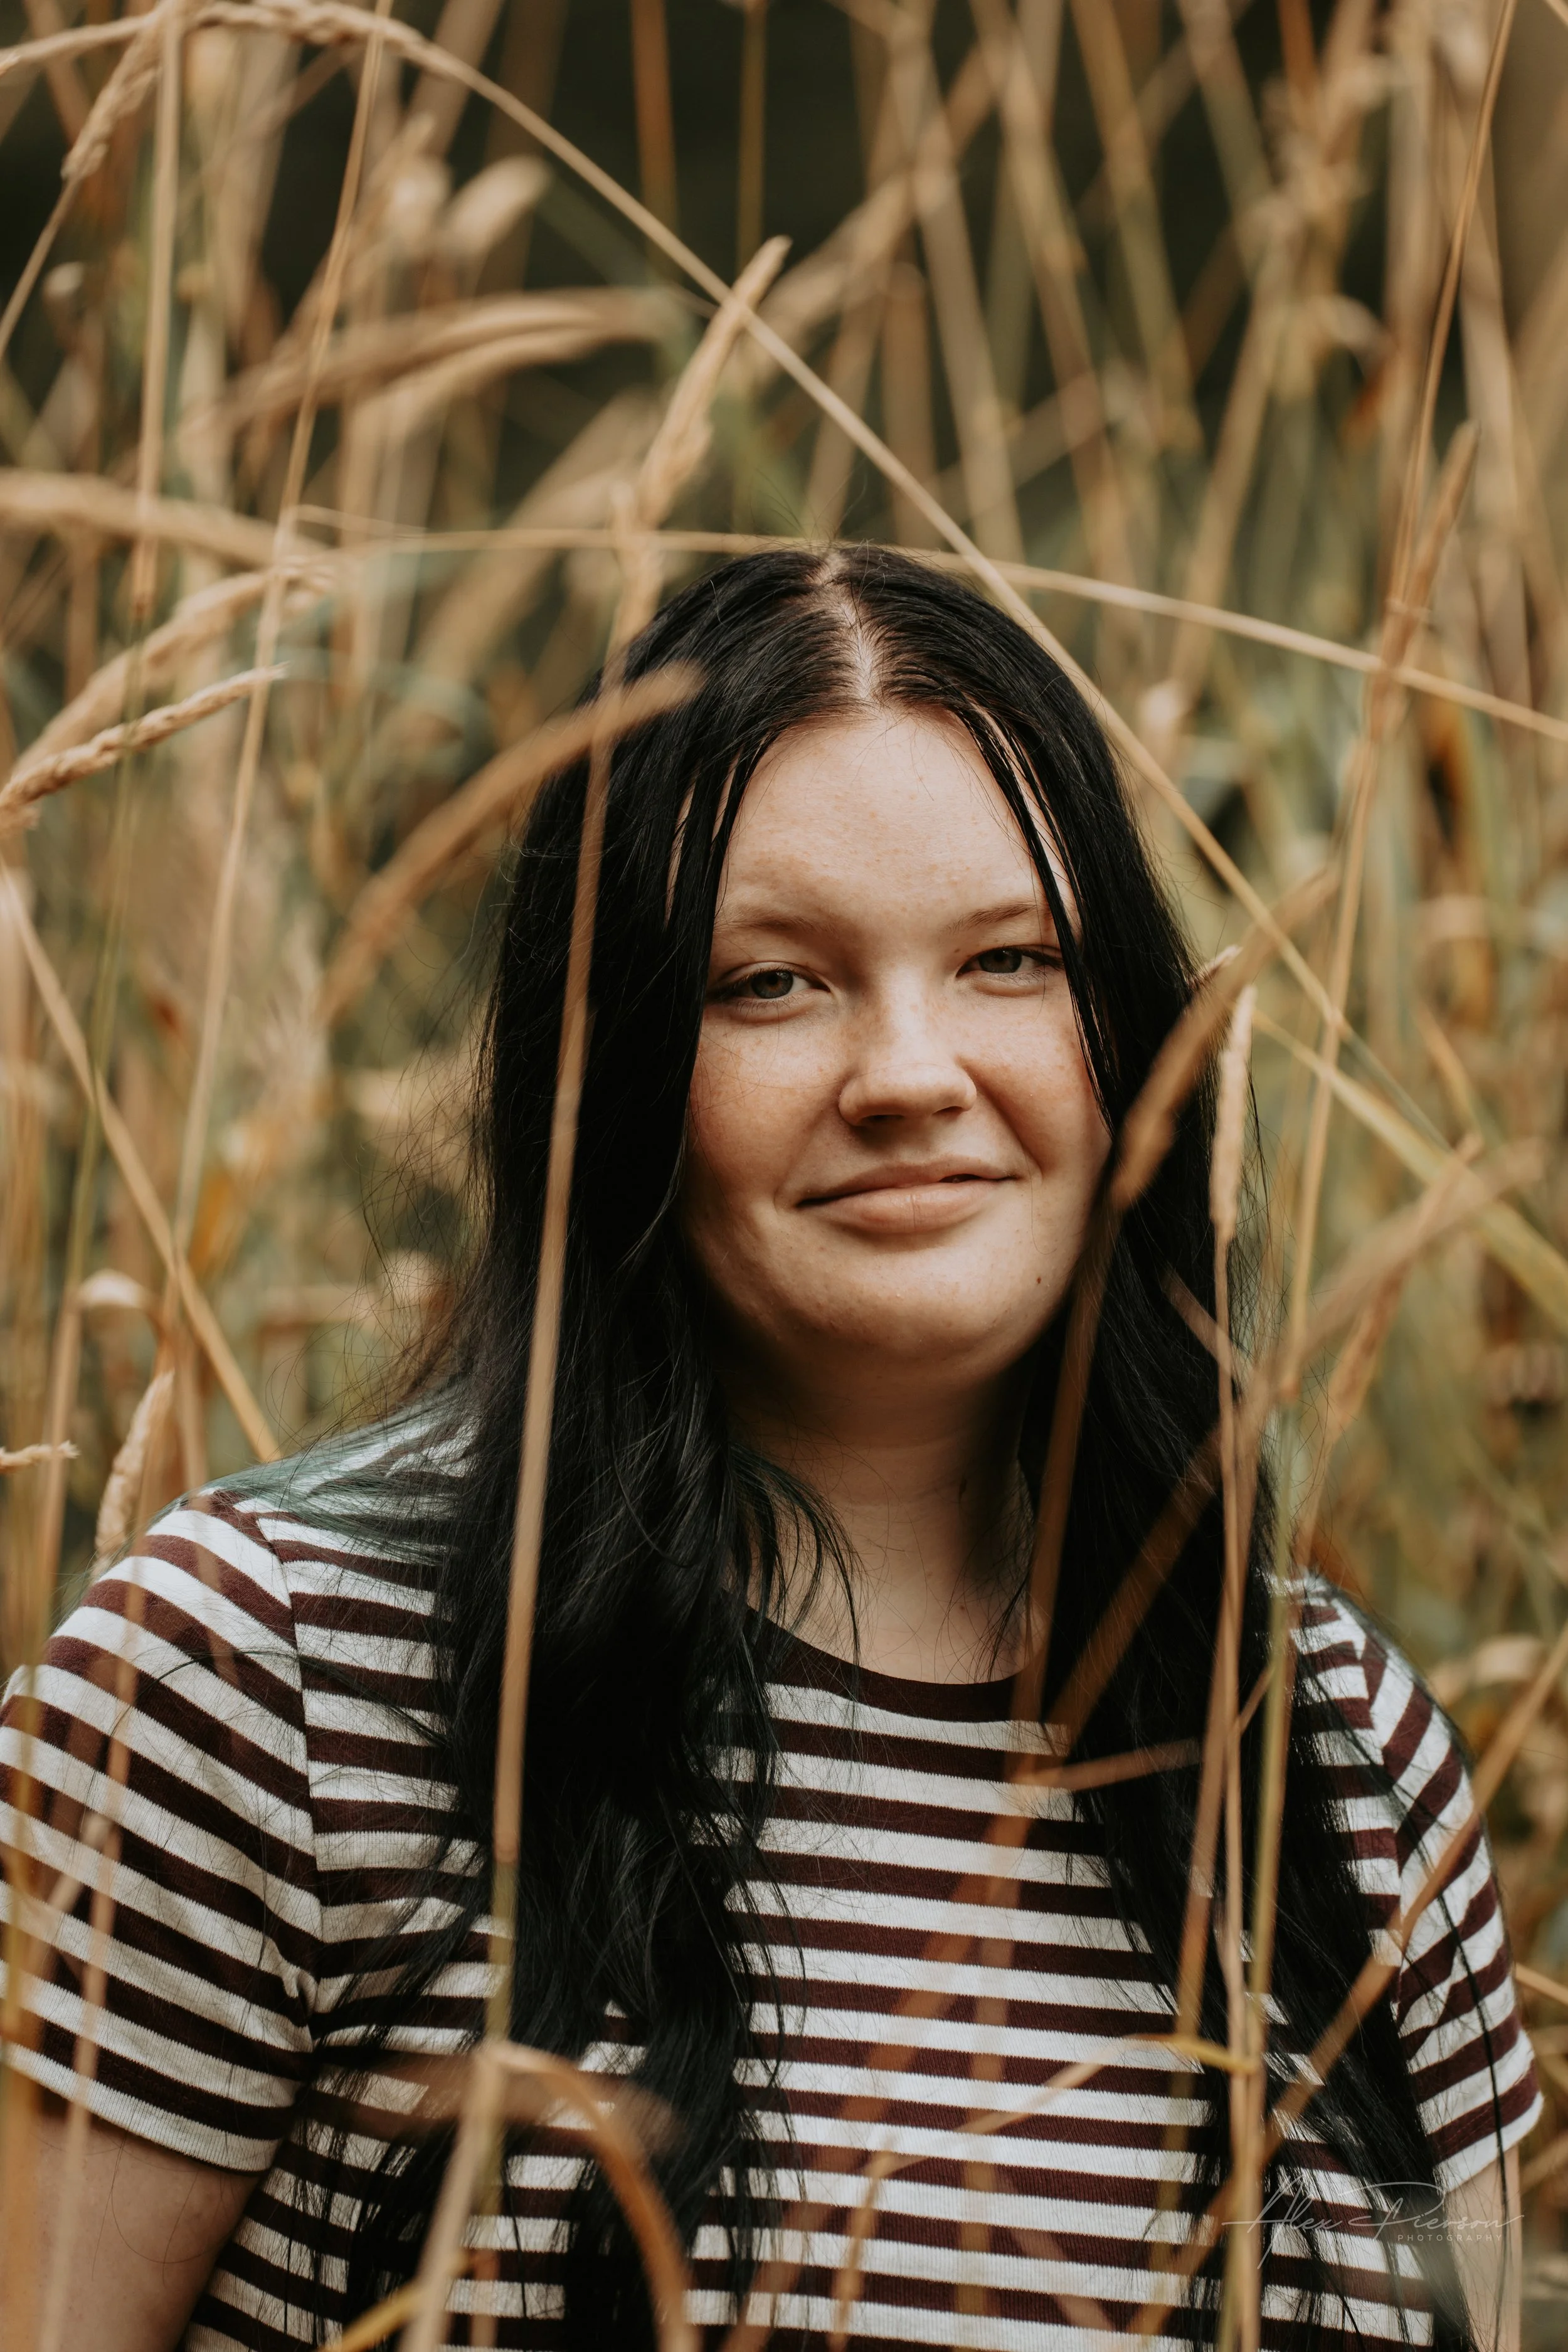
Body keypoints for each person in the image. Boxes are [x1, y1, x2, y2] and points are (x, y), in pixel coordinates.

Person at [0, 549, 1539, 2352]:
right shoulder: (258, 1674)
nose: (908, 1068)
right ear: (617, 1063)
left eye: (1006, 961)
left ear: (1125, 1034)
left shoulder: (1338, 1760)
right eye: (770, 983)